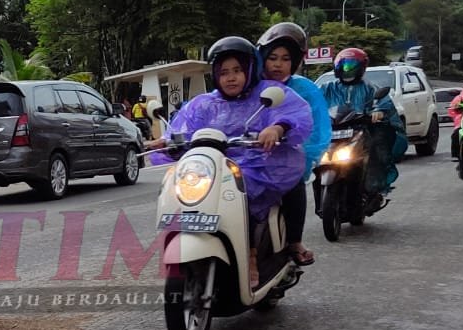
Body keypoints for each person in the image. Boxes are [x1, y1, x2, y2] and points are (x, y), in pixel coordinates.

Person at [148, 36, 312, 288]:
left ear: (250, 70)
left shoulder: (266, 94)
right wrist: (166, 141)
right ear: (215, 74)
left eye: (237, 70)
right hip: (210, 167)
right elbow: (183, 129)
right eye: (223, 72)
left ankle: (251, 255)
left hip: (257, 164)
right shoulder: (203, 104)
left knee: (241, 196)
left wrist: (277, 129)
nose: (231, 77)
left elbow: (291, 114)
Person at [257, 21, 329, 267]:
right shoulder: (247, 85)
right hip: (248, 156)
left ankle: (294, 241)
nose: (278, 64)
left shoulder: (304, 89)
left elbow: (314, 127)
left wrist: (294, 146)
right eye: (273, 57)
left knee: (294, 182)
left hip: (285, 156)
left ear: (295, 61)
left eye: (286, 58)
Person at [320, 48, 406, 202]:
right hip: (331, 131)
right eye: (344, 65)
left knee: (375, 151)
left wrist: (378, 111)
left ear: (362, 67)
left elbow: (383, 102)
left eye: (351, 66)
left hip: (359, 131)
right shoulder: (327, 88)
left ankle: (371, 189)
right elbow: (312, 102)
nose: (347, 69)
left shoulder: (370, 88)